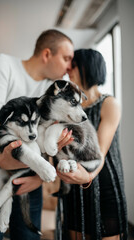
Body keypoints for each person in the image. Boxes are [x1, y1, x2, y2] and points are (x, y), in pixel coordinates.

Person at [0, 29, 74, 240]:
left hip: (28, 179)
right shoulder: (3, 65)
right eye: (66, 58)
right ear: (47, 54)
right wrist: (0, 157)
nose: (69, 67)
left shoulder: (50, 90)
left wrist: (39, 176)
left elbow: (45, 134)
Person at [57, 49, 128, 240]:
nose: (68, 69)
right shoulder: (69, 107)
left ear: (88, 67)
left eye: (74, 65)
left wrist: (87, 176)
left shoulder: (109, 103)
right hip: (73, 186)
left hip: (105, 184)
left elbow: (100, 153)